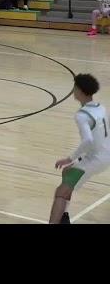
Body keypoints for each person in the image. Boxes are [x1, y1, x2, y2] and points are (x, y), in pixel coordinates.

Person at [49, 74, 110, 224]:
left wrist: (69, 158)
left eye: (74, 88)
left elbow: (88, 140)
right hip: (103, 154)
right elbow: (98, 137)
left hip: (96, 159)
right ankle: (64, 217)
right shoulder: (100, 107)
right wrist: (77, 160)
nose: (73, 91)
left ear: (80, 91)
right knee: (67, 172)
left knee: (61, 192)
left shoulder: (82, 115)